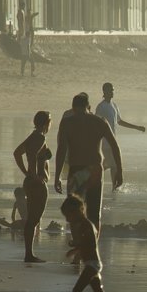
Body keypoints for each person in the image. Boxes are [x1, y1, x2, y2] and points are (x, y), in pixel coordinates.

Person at [55, 92, 121, 234]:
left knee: (74, 212)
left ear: (73, 108)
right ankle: (93, 247)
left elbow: (61, 151)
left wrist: (57, 177)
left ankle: (79, 245)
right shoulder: (100, 121)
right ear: (88, 107)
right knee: (94, 213)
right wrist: (120, 172)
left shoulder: (67, 122)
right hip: (95, 170)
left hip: (77, 170)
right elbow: (115, 147)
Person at [56, 194, 125, 292]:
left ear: (79, 210)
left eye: (68, 215)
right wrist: (75, 245)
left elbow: (88, 244)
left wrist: (75, 249)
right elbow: (85, 243)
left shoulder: (86, 225)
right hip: (92, 264)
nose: (68, 219)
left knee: (76, 291)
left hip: (93, 264)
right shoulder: (83, 225)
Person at [13, 110, 52, 262]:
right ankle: (29, 255)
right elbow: (34, 156)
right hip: (36, 184)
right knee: (34, 219)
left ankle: (29, 253)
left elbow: (17, 153)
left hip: (31, 182)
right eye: (49, 121)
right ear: (45, 123)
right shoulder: (40, 137)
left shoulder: (33, 136)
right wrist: (34, 175)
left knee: (32, 219)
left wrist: (27, 173)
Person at [95, 82, 146, 192]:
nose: (112, 92)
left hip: (112, 141)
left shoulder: (114, 106)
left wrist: (136, 127)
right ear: (104, 91)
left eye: (113, 90)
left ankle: (94, 177)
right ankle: (115, 189)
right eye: (110, 90)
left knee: (108, 164)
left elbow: (120, 121)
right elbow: (96, 123)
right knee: (113, 165)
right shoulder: (101, 107)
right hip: (104, 142)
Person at [17, 3, 38, 77]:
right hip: (27, 53)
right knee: (32, 62)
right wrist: (29, 52)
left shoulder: (23, 39)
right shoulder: (27, 39)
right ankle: (32, 73)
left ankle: (22, 73)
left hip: (23, 53)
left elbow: (20, 43)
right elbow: (28, 46)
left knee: (23, 63)